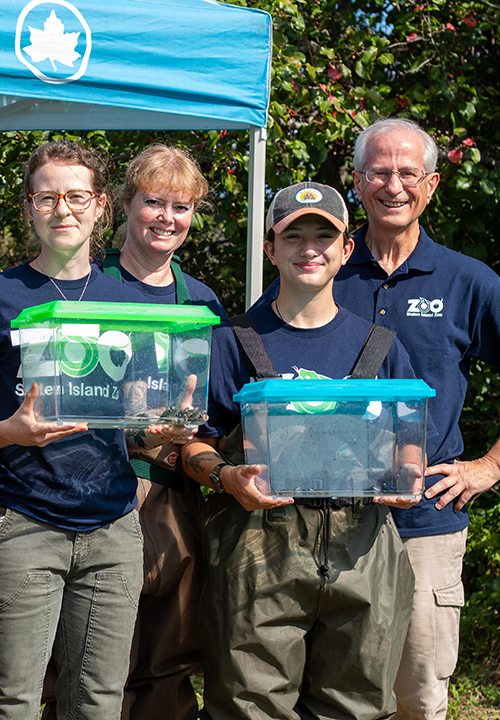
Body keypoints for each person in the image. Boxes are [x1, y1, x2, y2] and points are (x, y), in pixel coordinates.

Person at [259, 118, 500, 720]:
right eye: (380, 173)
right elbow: (257, 365)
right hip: (319, 526)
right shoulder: (320, 261)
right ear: (359, 183)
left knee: (415, 693)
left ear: (433, 184)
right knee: (333, 692)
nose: (394, 186)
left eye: (408, 173)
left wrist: (489, 467)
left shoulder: (469, 281)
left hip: (423, 524)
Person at [0, 140, 174, 720]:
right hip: (21, 524)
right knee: (10, 704)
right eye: (46, 197)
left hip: (113, 527)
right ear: (28, 208)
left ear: (101, 205)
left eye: (76, 196)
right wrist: (12, 431)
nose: (62, 209)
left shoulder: (129, 300)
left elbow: (137, 428)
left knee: (98, 703)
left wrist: (161, 428)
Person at [183, 182, 420, 719]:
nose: (308, 248)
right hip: (256, 550)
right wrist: (225, 478)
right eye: (293, 236)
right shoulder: (231, 341)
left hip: (365, 550)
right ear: (271, 248)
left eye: (323, 235)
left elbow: (411, 438)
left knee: (356, 706)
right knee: (250, 706)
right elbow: (192, 442)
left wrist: (409, 476)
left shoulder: (379, 346)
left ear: (346, 249)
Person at [105, 144, 225, 720]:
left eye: (182, 207)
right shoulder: (87, 285)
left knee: (166, 654)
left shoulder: (201, 300)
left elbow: (215, 410)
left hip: (173, 491)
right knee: (90, 652)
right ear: (126, 204)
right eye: (154, 201)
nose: (166, 218)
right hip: (94, 488)